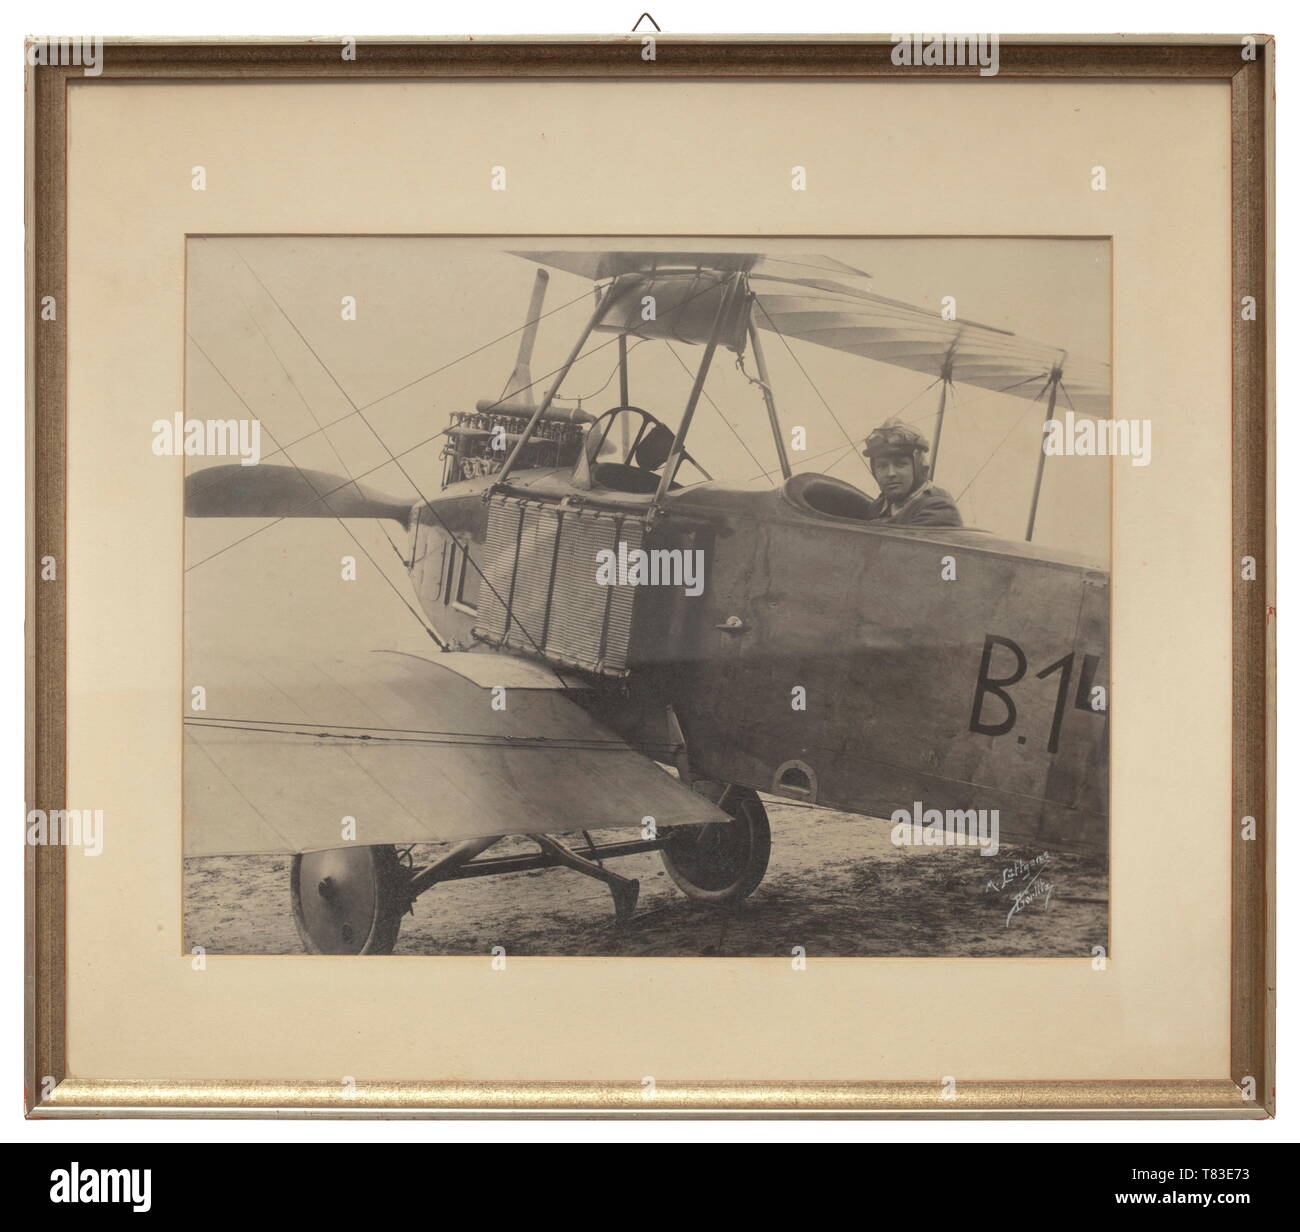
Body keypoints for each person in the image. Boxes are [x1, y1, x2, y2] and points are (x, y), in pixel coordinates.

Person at [861, 418, 963, 527]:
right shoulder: (879, 506)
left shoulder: (939, 507)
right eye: (882, 466)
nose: (890, 473)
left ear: (919, 466)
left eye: (900, 464)